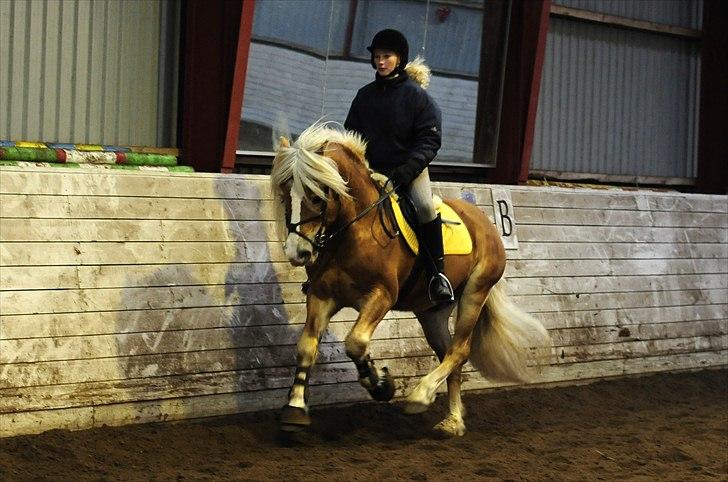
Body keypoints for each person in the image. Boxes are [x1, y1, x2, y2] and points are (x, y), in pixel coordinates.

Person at [345, 28, 454, 304]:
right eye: (377, 57)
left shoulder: (417, 97)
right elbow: (350, 136)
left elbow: (429, 140)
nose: (381, 62)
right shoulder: (363, 96)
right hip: (370, 173)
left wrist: (405, 172)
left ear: (400, 58)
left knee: (426, 208)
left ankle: (436, 275)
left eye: (387, 56)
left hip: (409, 171)